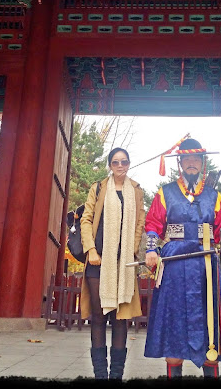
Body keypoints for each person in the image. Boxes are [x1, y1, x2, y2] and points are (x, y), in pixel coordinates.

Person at [144, 137, 221, 379]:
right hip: (173, 262)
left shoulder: (214, 196)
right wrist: (151, 250)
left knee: (208, 320)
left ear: (202, 163)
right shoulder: (166, 193)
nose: (191, 163)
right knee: (174, 318)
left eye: (196, 159)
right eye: (187, 159)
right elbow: (153, 224)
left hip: (206, 264)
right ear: (180, 162)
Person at [80, 147, 145, 380]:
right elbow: (86, 219)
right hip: (99, 261)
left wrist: (134, 251)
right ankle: (100, 375)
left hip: (124, 264)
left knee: (121, 319)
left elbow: (139, 223)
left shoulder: (136, 190)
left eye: (124, 162)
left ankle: (116, 375)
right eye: (115, 162)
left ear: (129, 164)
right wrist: (91, 249)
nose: (120, 166)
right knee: (98, 317)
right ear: (109, 164)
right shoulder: (98, 188)